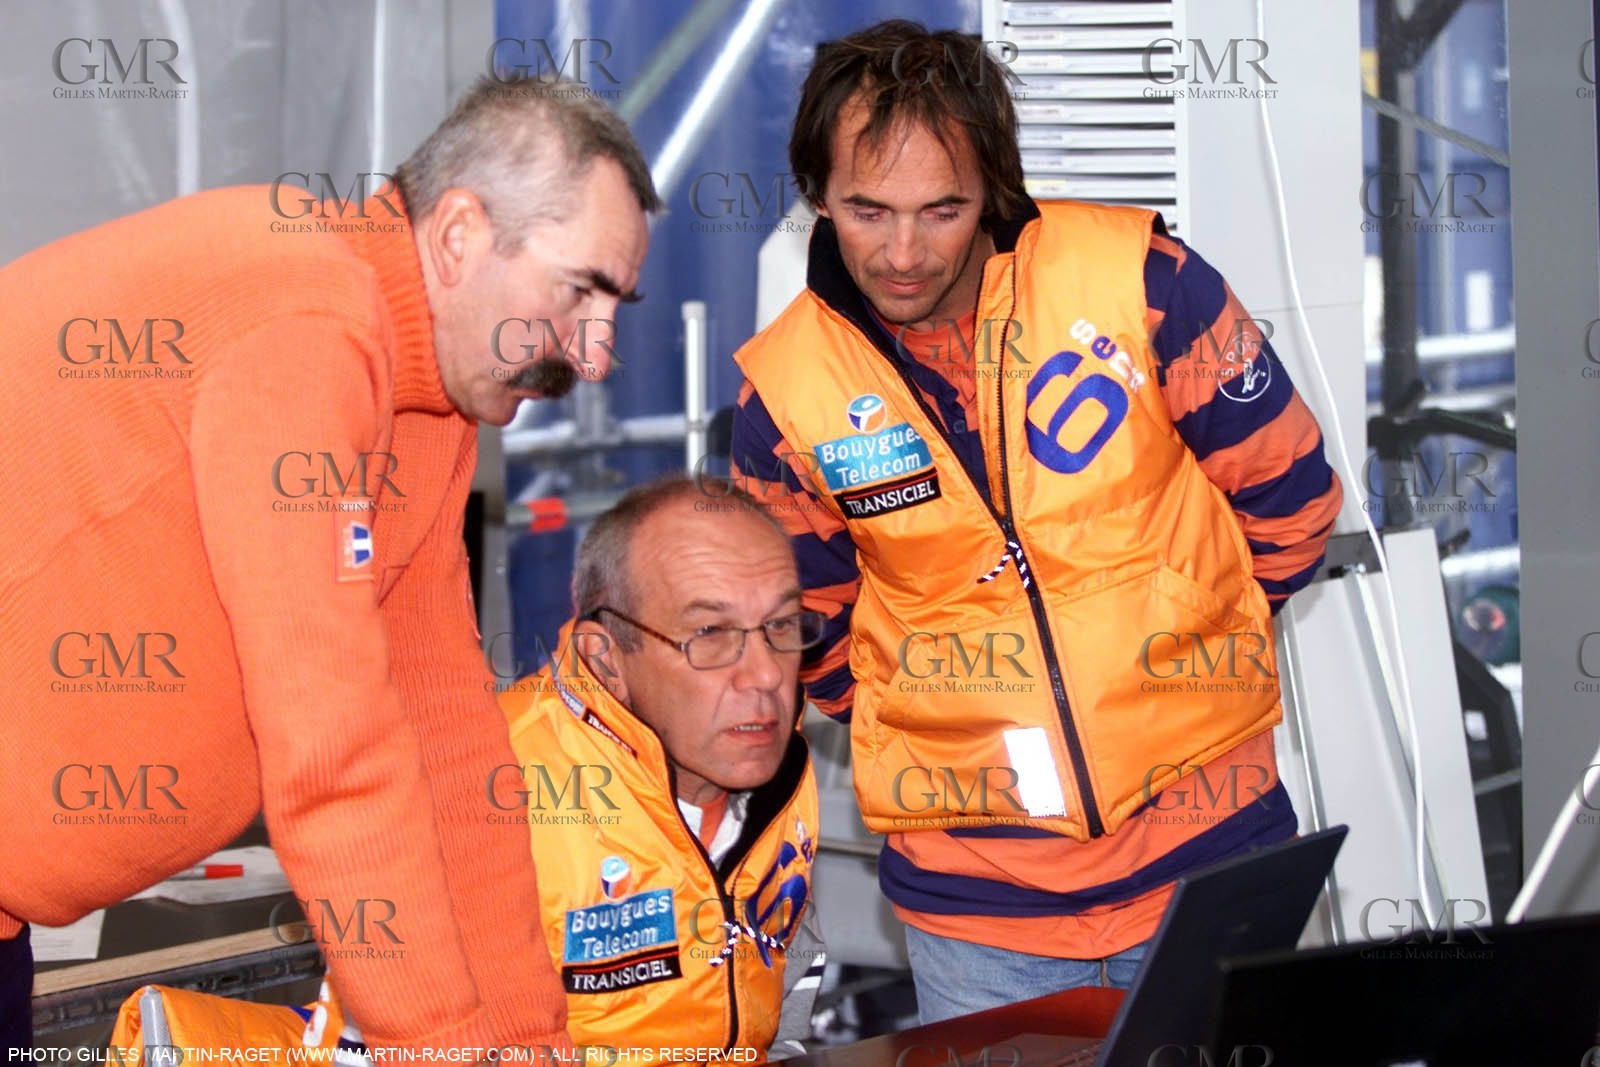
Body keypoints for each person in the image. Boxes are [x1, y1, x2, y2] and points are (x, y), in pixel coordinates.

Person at [0, 76, 658, 1054]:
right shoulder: (303, 316)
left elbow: (444, 737)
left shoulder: (425, 404)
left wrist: (520, 1030)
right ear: (459, 235)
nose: (595, 354)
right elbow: (333, 734)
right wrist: (442, 1039)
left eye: (617, 306)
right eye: (579, 293)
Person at [731, 20, 1343, 1023]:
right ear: (815, 195)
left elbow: (1292, 497)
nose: (901, 251)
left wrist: (1188, 630)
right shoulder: (786, 392)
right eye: (865, 210)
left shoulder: (1141, 280)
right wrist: (928, 716)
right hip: (980, 910)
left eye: (941, 209)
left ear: (993, 189)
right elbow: (804, 630)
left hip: (1213, 853)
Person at [497, 476, 827, 1060]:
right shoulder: (492, 790)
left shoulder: (777, 760)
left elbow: (778, 995)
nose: (768, 676)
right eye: (710, 634)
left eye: (780, 626)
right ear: (607, 661)